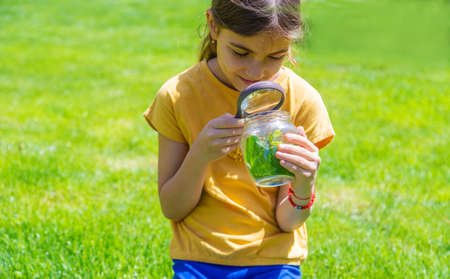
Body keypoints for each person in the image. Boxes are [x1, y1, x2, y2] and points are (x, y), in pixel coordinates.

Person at [143, 1, 335, 278]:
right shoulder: (178, 96)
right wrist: (200, 155)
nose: (256, 72)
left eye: (275, 56)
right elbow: (172, 208)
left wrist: (305, 182)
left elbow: (288, 221)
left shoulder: (302, 100)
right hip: (198, 259)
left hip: (275, 261)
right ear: (213, 26)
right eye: (240, 52)